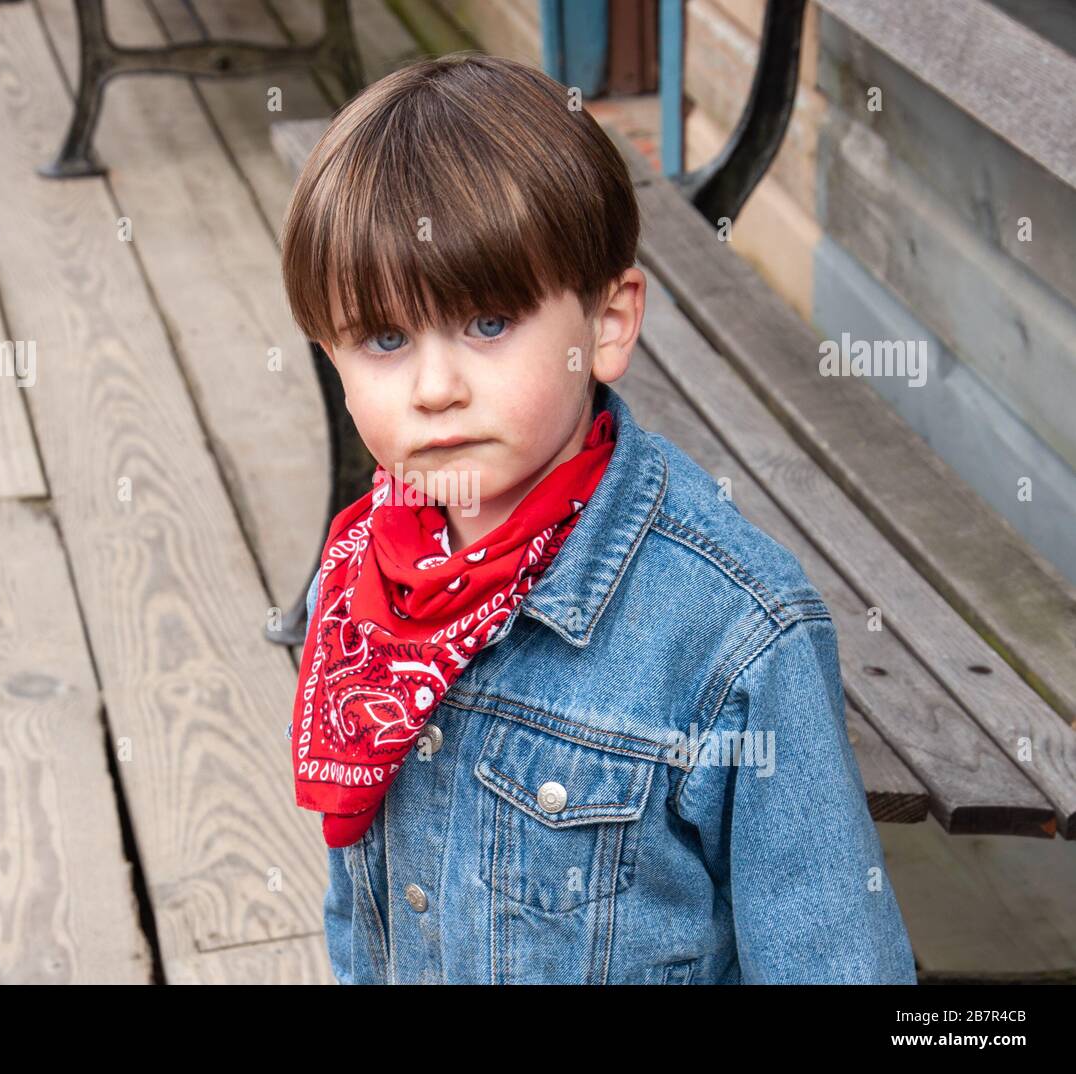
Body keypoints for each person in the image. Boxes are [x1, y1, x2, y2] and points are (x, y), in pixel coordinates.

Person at [279, 51, 917, 985]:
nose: (435, 388)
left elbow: (832, 961)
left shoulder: (734, 632)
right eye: (383, 339)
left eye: (489, 324)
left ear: (607, 325)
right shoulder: (358, 584)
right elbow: (365, 904)